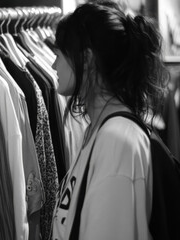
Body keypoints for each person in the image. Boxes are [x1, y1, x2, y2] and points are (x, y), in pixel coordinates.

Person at [51, 1, 168, 240]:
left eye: (60, 55)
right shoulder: (99, 131)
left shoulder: (117, 141)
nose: (54, 65)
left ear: (87, 60)